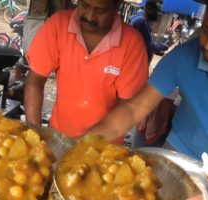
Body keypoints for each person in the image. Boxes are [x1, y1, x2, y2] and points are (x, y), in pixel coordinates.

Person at [84, 0, 208, 189]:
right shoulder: (183, 57)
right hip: (177, 153)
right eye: (206, 30)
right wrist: (86, 142)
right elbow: (134, 109)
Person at [24, 0, 149, 143]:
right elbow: (35, 82)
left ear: (118, 5)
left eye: (100, 11)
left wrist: (84, 145)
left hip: (104, 147)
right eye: (84, 5)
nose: (89, 17)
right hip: (59, 138)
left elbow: (128, 109)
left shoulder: (132, 44)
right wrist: (35, 137)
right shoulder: (58, 24)